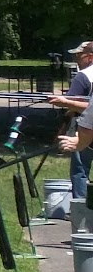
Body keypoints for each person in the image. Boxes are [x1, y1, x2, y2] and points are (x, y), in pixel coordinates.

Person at [47, 40, 93, 201]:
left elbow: (86, 107)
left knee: (80, 170)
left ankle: (80, 208)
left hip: (85, 127)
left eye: (79, 56)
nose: (76, 61)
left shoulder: (83, 76)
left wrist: (65, 103)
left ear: (90, 58)